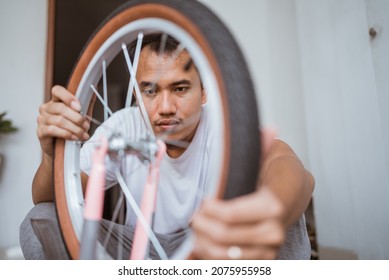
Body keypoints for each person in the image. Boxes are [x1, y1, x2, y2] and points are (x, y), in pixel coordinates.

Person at [20, 34, 314, 260]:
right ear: (137, 92)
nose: (164, 107)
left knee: (287, 218)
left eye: (180, 88)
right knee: (41, 219)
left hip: (209, 250)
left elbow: (292, 169)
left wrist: (274, 210)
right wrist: (50, 154)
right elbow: (46, 198)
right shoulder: (124, 125)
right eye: (150, 90)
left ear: (204, 91)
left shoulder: (224, 127)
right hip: (139, 251)